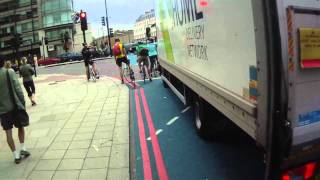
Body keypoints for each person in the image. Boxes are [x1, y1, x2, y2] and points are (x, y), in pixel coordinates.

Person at [0, 55, 30, 164]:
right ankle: (23, 148)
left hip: (3, 111)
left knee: (8, 133)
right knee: (20, 126)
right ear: (3, 62)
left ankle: (16, 156)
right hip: (14, 106)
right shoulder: (9, 72)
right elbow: (18, 89)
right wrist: (22, 102)